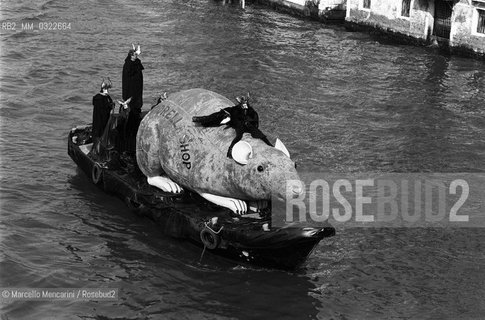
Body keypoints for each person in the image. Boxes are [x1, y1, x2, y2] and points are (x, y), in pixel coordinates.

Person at [192, 94, 273, 158]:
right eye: (243, 104)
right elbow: (227, 112)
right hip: (239, 124)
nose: (244, 106)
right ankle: (203, 120)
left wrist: (249, 124)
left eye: (245, 104)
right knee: (219, 119)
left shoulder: (251, 112)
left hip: (246, 126)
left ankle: (270, 146)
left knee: (254, 136)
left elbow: (255, 122)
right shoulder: (236, 110)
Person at [122, 44, 144, 154]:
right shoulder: (128, 65)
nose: (136, 56)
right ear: (131, 55)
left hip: (137, 93)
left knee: (135, 113)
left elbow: (136, 64)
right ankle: (129, 141)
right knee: (130, 117)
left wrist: (137, 52)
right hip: (130, 94)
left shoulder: (136, 63)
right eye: (134, 55)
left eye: (136, 55)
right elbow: (127, 80)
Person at [92, 78, 115, 156]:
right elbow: (104, 109)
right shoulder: (100, 99)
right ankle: (97, 151)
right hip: (100, 121)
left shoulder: (105, 97)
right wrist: (110, 106)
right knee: (99, 134)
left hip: (103, 121)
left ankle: (100, 149)